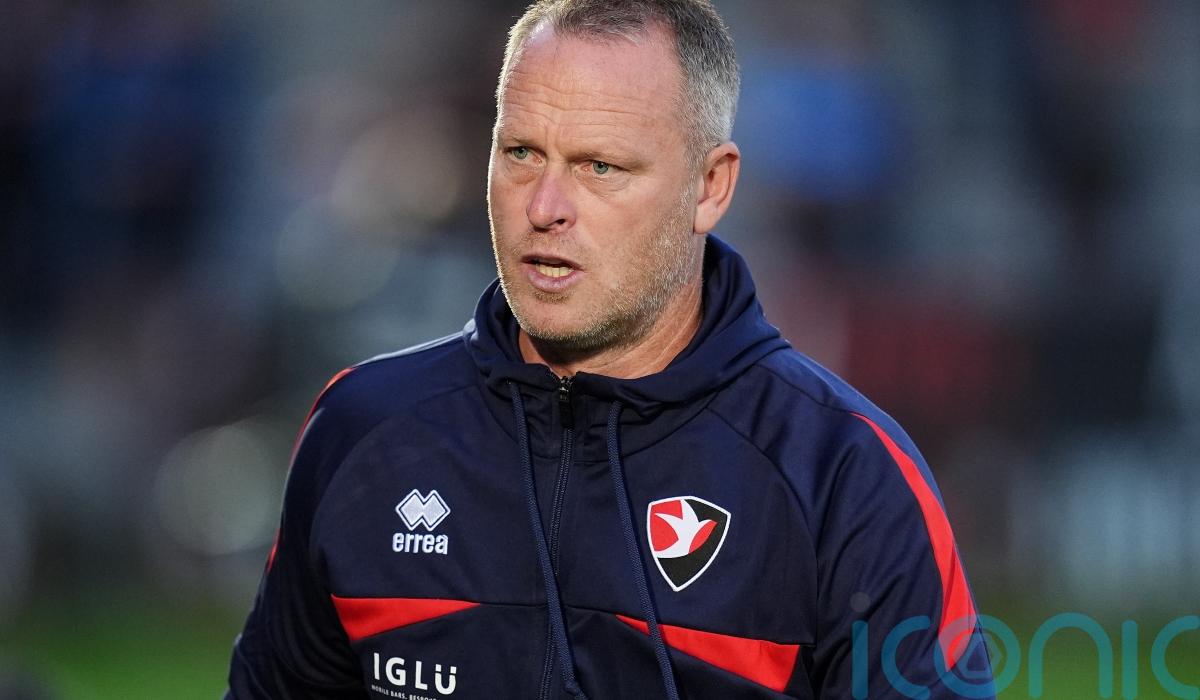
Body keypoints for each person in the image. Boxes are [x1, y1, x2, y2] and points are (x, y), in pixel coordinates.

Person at [226, 1, 995, 698]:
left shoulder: (841, 474)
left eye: (601, 167)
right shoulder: (363, 434)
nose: (545, 207)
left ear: (710, 187)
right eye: (521, 153)